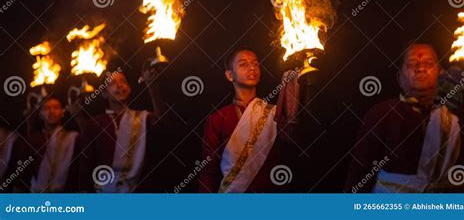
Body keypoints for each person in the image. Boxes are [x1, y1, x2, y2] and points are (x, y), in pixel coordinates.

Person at [345, 43, 464, 193]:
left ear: (440, 74)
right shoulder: (382, 113)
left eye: (429, 64)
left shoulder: (456, 116)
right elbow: (360, 171)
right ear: (400, 78)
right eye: (412, 64)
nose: (420, 68)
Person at [198, 47, 301, 193]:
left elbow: (292, 144)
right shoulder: (217, 119)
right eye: (243, 64)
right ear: (229, 75)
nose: (252, 67)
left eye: (255, 64)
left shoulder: (274, 114)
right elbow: (208, 171)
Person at [78, 65, 177, 193]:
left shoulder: (143, 117)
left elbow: (164, 123)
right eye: (112, 83)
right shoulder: (95, 123)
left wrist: (153, 87)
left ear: (129, 89)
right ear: (103, 93)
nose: (119, 85)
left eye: (123, 81)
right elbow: (85, 167)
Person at [13, 97, 80, 192]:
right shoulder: (32, 140)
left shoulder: (73, 137)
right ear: (41, 114)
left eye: (56, 107)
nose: (51, 111)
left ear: (62, 112)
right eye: (47, 108)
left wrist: (78, 116)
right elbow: (23, 175)